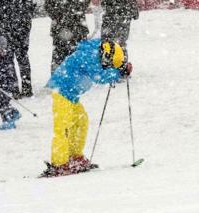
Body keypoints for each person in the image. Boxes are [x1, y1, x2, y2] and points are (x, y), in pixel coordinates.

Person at [42, 39, 132, 177]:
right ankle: (59, 164)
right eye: (108, 64)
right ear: (105, 55)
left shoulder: (97, 54)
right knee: (63, 128)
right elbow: (99, 76)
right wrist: (118, 73)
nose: (106, 67)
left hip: (71, 96)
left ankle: (75, 156)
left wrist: (120, 68)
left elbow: (102, 71)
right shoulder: (89, 55)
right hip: (61, 93)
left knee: (81, 121)